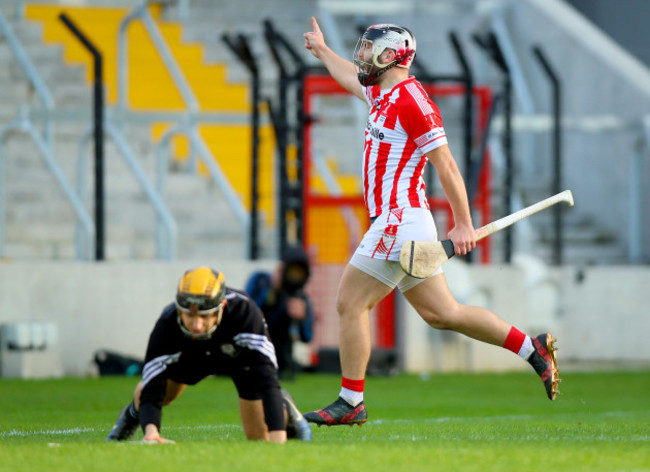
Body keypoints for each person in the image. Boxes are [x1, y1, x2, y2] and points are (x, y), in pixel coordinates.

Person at [301, 18, 560, 426]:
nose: (363, 56)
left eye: (370, 50)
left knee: (350, 302)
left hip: (398, 220)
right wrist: (322, 50)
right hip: (401, 223)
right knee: (444, 314)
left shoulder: (412, 101)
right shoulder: (380, 94)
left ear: (392, 56)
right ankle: (533, 348)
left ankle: (351, 402)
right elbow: (350, 77)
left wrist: (463, 224)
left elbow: (447, 165)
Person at [105, 266, 312, 443]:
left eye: (204, 316)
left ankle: (286, 409)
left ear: (221, 307)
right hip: (191, 357)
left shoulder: (245, 314)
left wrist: (278, 442)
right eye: (189, 315)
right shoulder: (167, 324)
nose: (196, 325)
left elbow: (268, 382)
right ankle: (131, 415)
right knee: (150, 391)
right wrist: (151, 433)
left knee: (258, 436)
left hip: (239, 360)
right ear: (179, 309)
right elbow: (152, 387)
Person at [245, 245, 314, 380]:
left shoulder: (299, 297)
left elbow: (307, 336)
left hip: (280, 362)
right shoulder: (260, 280)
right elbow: (246, 316)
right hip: (251, 353)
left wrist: (302, 318)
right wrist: (271, 289)